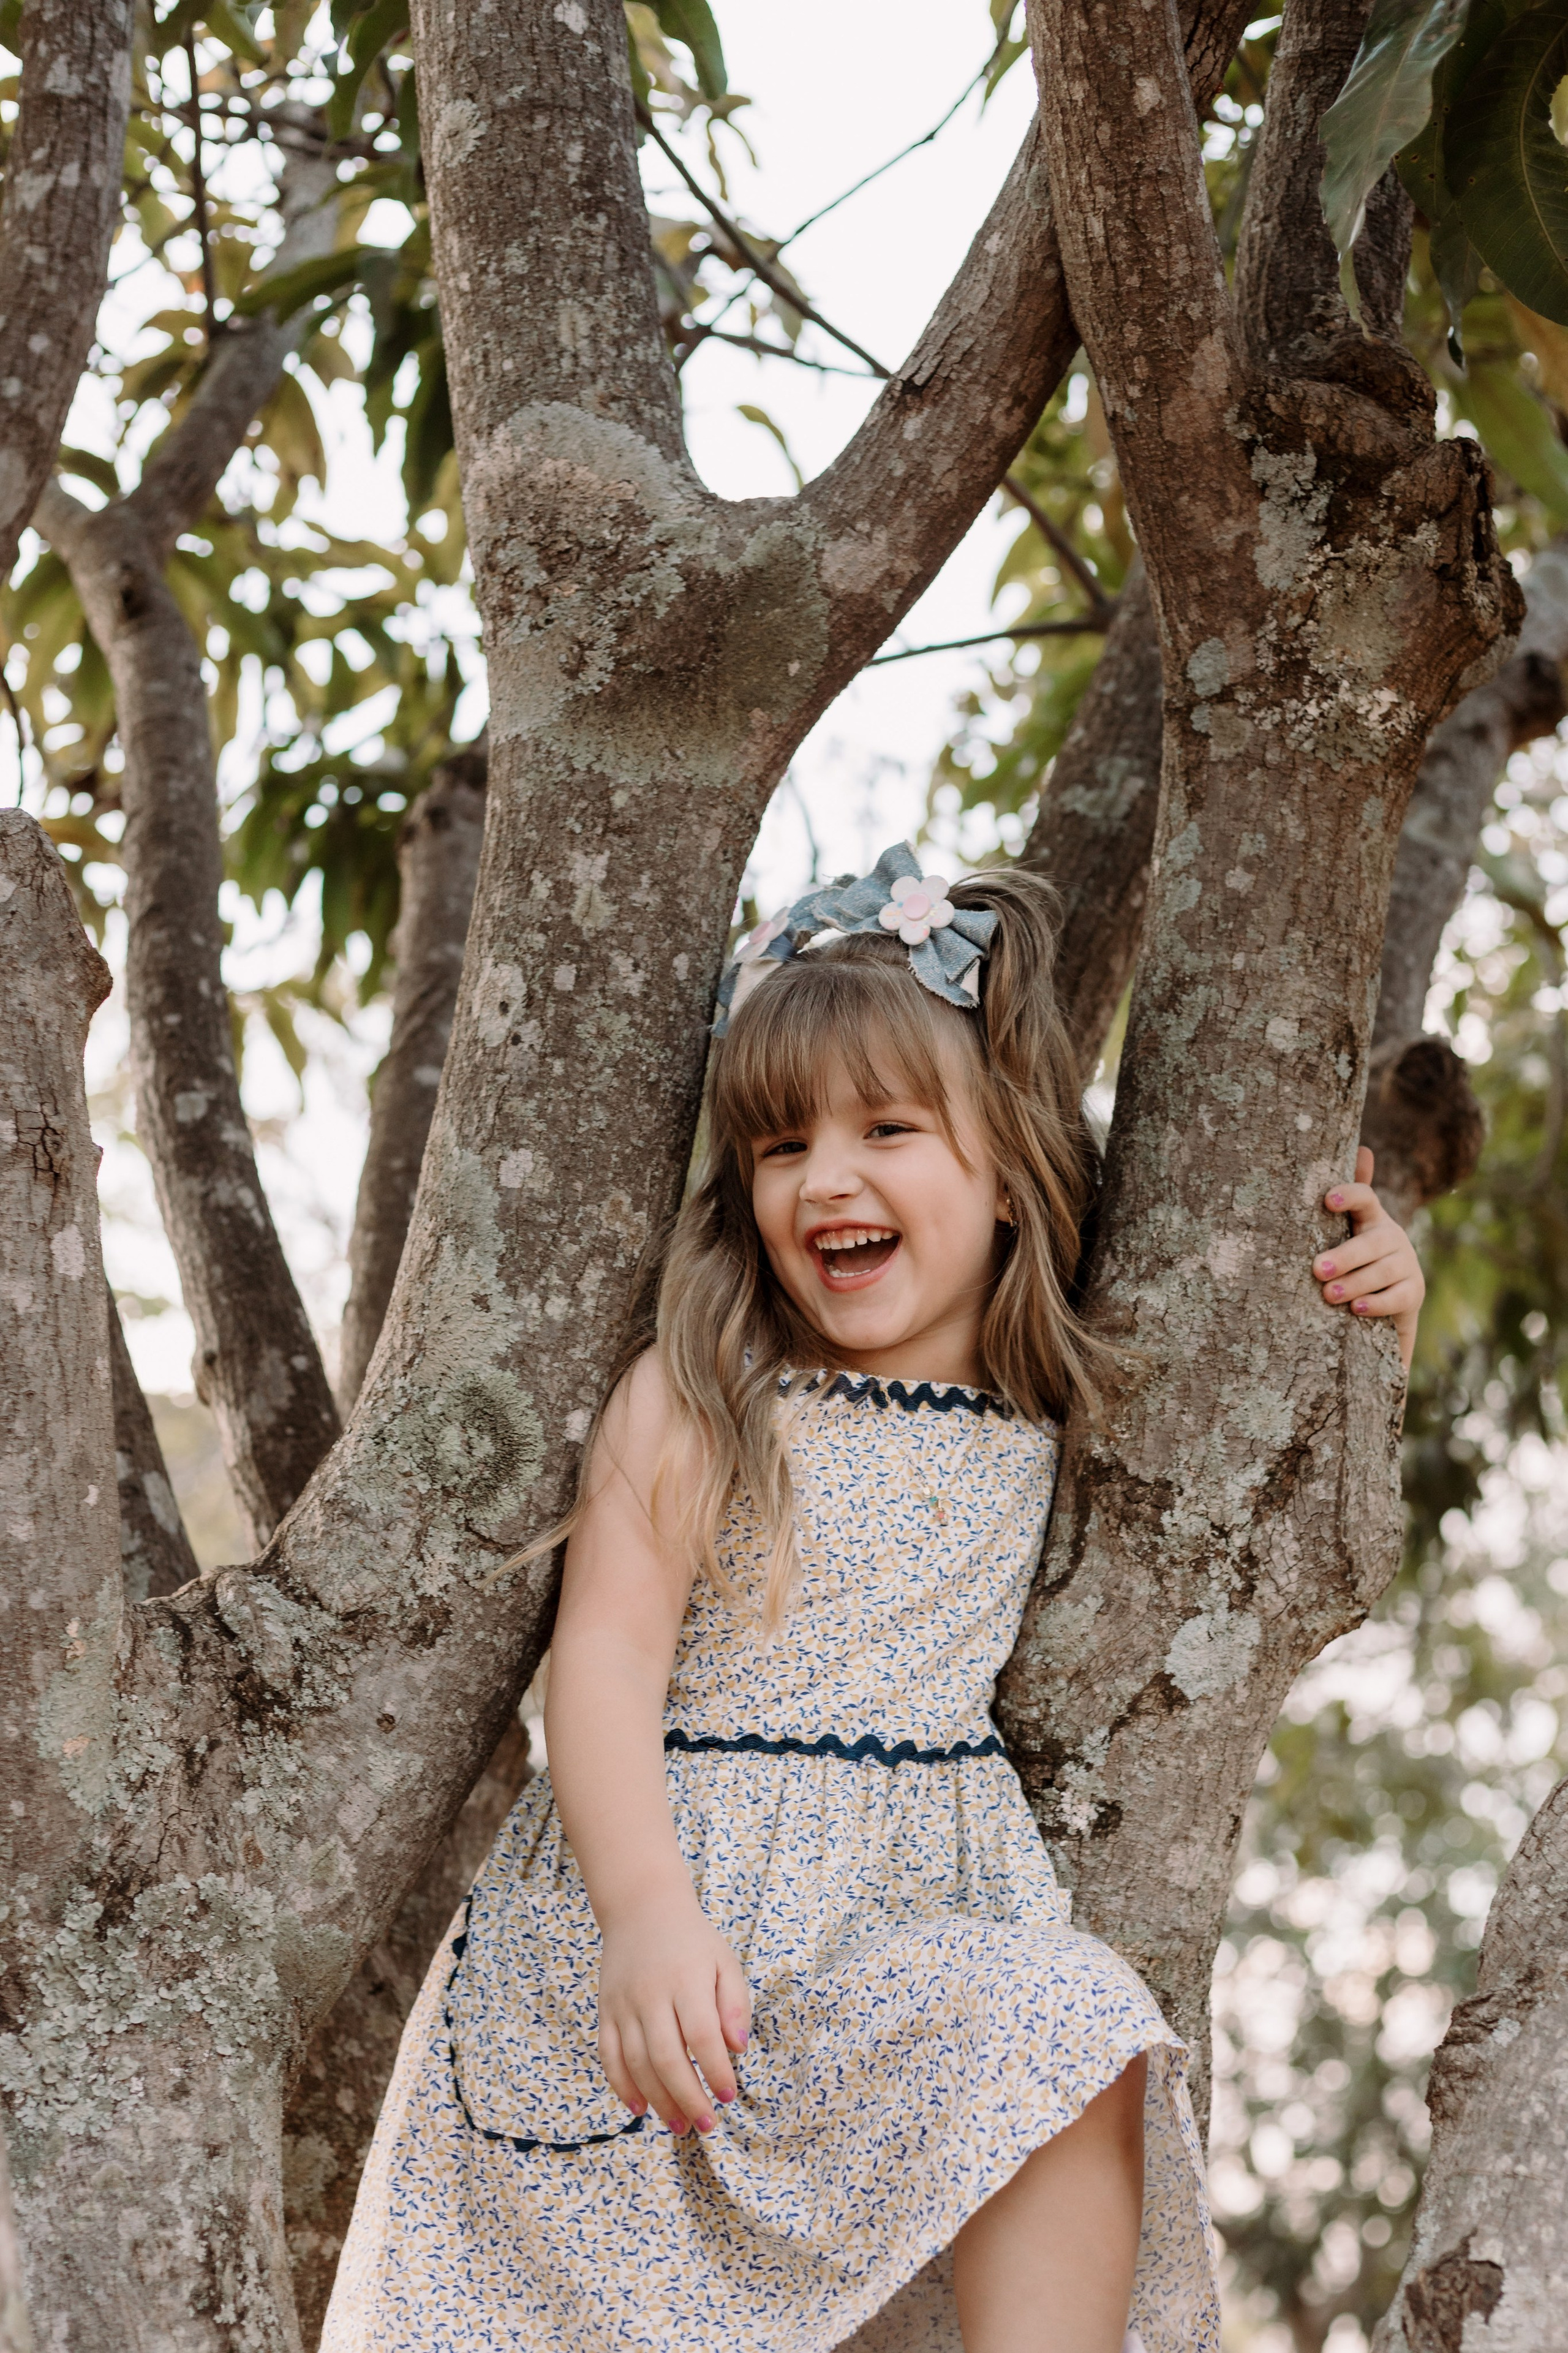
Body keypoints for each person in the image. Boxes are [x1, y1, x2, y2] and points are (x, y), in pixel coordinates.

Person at [323, 847, 1425, 2353]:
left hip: (900, 1930)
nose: (825, 1178)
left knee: (1068, 2027)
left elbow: (1284, 1446)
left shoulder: (1051, 1397)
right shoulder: (706, 1393)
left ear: (1007, 1170)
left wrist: (1381, 1304)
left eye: (886, 1128)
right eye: (779, 1146)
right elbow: (603, 1661)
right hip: (671, 1931)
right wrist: (644, 1915)